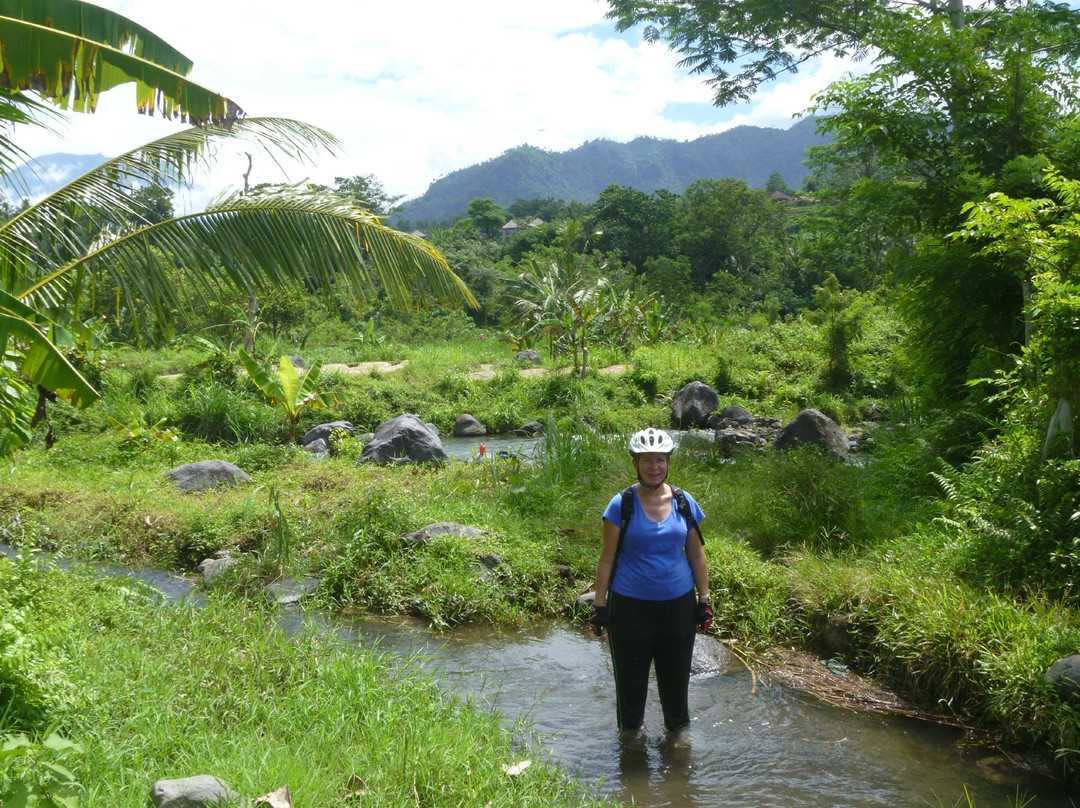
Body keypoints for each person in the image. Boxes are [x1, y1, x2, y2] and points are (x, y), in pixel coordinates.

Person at [589, 427, 712, 735]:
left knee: (676, 680)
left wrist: (705, 600)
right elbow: (606, 558)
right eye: (647, 461)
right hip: (630, 607)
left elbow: (697, 556)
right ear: (635, 464)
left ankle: (678, 744)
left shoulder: (684, 502)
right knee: (631, 684)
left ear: (668, 463)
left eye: (660, 460)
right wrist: (599, 607)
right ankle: (630, 748)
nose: (654, 467)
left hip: (678, 606)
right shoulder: (621, 505)